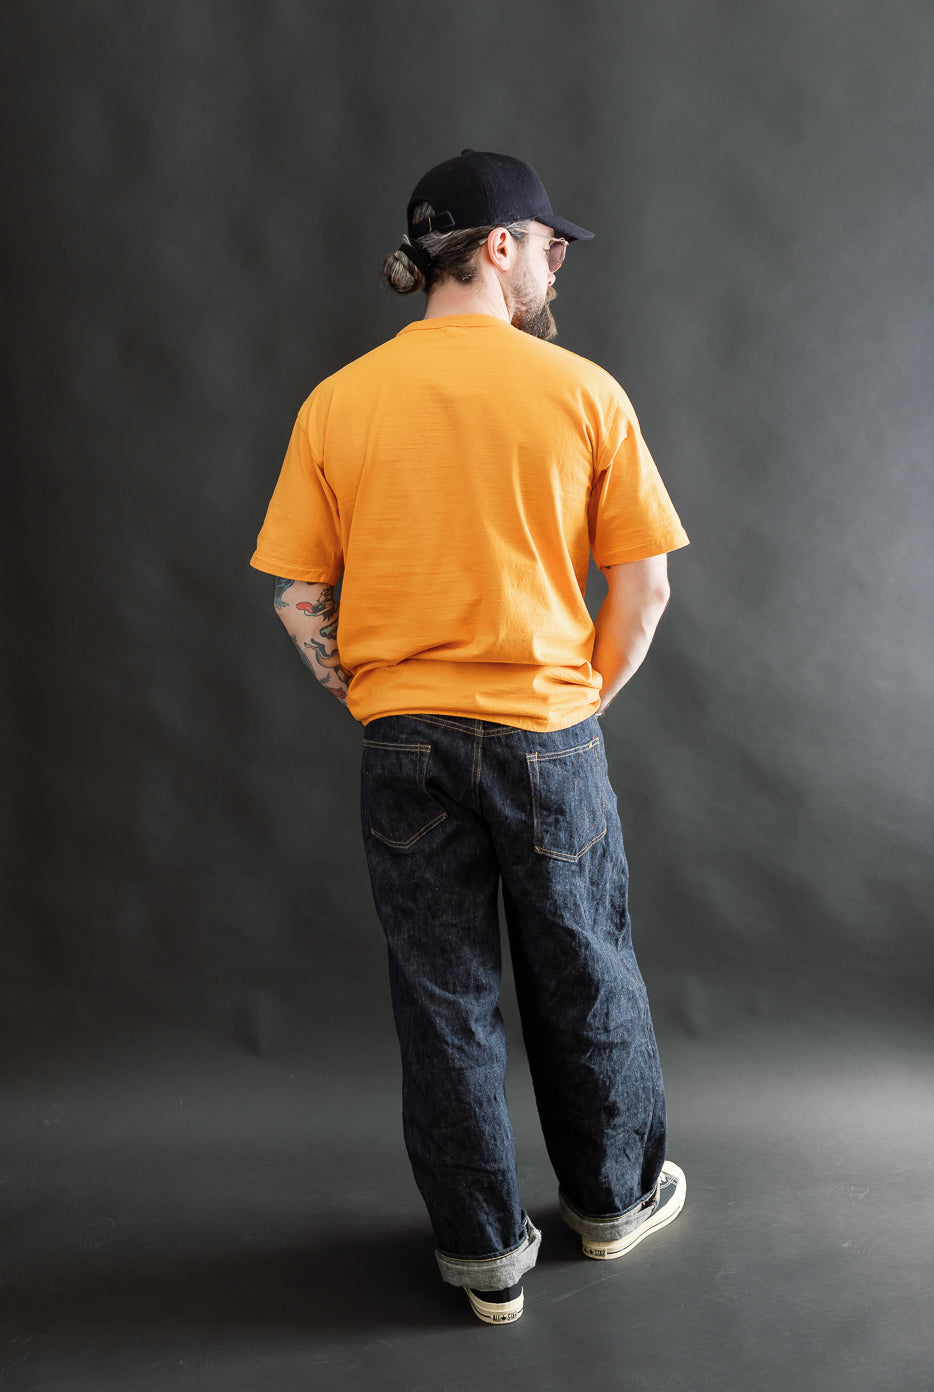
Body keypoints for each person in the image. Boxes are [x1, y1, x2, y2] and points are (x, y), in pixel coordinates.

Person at [250, 149, 689, 1326]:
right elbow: (640, 591)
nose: (554, 264)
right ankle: (612, 1201)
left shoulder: (337, 400)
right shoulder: (581, 390)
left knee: (442, 995)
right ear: (496, 246)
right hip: (548, 726)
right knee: (584, 970)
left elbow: (295, 593)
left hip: (404, 741)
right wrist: (576, 699)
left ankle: (483, 1254)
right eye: (548, 243)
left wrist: (368, 693)